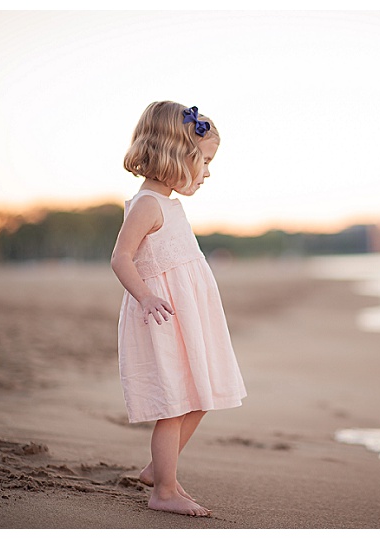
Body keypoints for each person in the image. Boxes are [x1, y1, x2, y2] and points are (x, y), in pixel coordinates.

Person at [111, 101, 247, 517]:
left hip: (188, 315)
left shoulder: (169, 204)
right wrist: (146, 296)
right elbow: (121, 258)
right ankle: (164, 491)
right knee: (174, 403)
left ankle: (157, 469)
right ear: (178, 156)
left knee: (200, 395)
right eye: (204, 162)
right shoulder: (146, 204)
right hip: (164, 316)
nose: (207, 173)